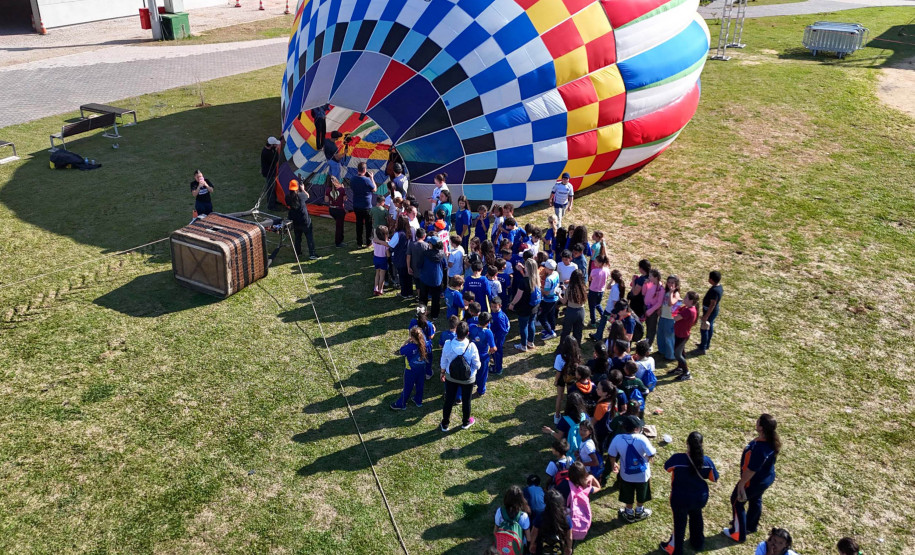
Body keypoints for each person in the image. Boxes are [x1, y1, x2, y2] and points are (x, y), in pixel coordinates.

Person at [723, 414, 782, 543]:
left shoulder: (760, 449)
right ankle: (750, 525)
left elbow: (751, 470)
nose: (756, 423)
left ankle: (737, 533)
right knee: (756, 499)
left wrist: (741, 485)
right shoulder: (770, 442)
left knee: (736, 501)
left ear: (761, 427)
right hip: (766, 478)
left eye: (758, 422)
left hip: (753, 481)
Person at [659, 432, 719, 555]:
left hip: (680, 498)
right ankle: (698, 543)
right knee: (697, 517)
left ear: (687, 443)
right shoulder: (707, 462)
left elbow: (667, 468)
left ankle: (676, 549)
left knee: (680, 524)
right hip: (699, 498)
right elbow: (714, 478)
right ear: (702, 444)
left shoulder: (677, 459)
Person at [607, 415, 656, 522]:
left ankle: (628, 512)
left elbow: (611, 454)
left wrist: (613, 464)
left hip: (626, 475)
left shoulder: (617, 438)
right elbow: (651, 453)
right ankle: (639, 511)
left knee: (627, 492)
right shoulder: (642, 438)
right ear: (636, 429)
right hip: (642, 475)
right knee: (642, 492)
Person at [439, 321, 481, 431]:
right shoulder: (472, 346)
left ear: (456, 332)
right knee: (466, 401)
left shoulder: (448, 344)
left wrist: (442, 372)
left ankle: (445, 423)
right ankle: (466, 422)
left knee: (449, 400)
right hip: (468, 379)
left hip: (450, 377)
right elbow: (477, 364)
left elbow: (443, 360)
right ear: (467, 333)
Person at [390, 326, 432, 410]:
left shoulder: (409, 347)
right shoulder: (427, 344)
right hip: (421, 369)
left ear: (412, 337)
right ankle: (418, 400)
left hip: (410, 370)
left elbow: (401, 351)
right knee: (420, 385)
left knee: (408, 387)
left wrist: (406, 342)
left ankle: (401, 403)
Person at [529, 487, 573, 555]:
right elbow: (569, 537)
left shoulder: (540, 516)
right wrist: (569, 547)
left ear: (545, 501)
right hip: (558, 546)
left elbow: (534, 533)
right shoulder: (566, 518)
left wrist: (532, 544)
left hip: (542, 546)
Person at [509, 258, 539, 352]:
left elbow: (518, 295)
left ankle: (523, 345)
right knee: (531, 323)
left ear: (527, 268)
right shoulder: (536, 279)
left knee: (523, 326)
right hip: (534, 306)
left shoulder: (523, 281)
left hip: (524, 307)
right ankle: (530, 342)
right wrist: (522, 270)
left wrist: (512, 304)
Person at [670, 291, 699, 381]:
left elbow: (675, 317)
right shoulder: (687, 308)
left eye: (686, 298)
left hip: (682, 335)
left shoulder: (689, 311)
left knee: (677, 354)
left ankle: (686, 372)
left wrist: (676, 306)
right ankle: (680, 368)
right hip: (680, 333)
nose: (684, 299)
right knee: (681, 352)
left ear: (691, 301)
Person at [552, 336, 582, 424]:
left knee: (560, 397)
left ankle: (557, 416)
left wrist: (556, 381)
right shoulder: (577, 356)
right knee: (570, 397)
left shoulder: (559, 357)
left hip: (562, 378)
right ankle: (569, 414)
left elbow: (558, 372)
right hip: (572, 378)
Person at [493, 485, 533, 550]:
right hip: (518, 546)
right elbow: (528, 537)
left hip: (503, 543)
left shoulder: (499, 511)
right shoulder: (523, 516)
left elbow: (496, 528)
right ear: (521, 500)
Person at [285, 179, 317, 260]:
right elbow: (308, 196)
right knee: (309, 237)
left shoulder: (287, 197)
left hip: (295, 221)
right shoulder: (301, 195)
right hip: (304, 220)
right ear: (297, 187)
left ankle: (298, 252)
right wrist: (303, 189)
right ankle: (312, 254)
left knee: (297, 237)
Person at [592, 270, 625, 343]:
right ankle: (598, 335)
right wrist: (612, 280)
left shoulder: (615, 288)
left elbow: (615, 302)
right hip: (611, 309)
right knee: (605, 323)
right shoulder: (618, 285)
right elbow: (608, 287)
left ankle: (598, 336)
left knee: (603, 323)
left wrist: (614, 312)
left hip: (610, 310)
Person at [350, 162, 377, 248]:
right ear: (365, 170)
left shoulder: (353, 179)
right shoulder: (367, 180)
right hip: (366, 206)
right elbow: (374, 189)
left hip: (356, 205)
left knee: (359, 224)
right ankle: (368, 242)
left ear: (358, 169)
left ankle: (359, 243)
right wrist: (372, 178)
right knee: (369, 225)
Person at [470, 312, 496, 396]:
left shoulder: (471, 327)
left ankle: (472, 382)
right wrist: (494, 349)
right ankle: (481, 390)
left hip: (472, 354)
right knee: (482, 374)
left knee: (472, 369)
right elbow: (493, 347)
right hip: (483, 356)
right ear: (488, 322)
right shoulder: (488, 333)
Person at [419, 237, 445, 318]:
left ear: (432, 244)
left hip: (425, 279)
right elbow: (445, 266)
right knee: (436, 299)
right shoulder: (442, 254)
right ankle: (435, 315)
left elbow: (419, 265)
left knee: (423, 298)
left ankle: (421, 314)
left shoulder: (425, 254)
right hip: (437, 280)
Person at [559, 269, 587, 345]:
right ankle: (577, 348)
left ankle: (562, 348)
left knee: (566, 332)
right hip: (581, 311)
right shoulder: (583, 288)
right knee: (578, 333)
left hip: (571, 312)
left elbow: (564, 301)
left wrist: (559, 294)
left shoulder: (570, 289)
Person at [657, 275, 682, 360]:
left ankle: (670, 355)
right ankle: (662, 350)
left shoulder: (676, 294)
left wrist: (672, 292)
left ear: (676, 284)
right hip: (663, 317)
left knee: (669, 337)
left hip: (670, 319)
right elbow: (663, 302)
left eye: (672, 283)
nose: (670, 284)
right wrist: (660, 309)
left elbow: (670, 303)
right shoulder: (666, 292)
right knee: (660, 334)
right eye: (669, 282)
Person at [698, 270, 723, 353]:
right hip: (713, 311)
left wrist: (706, 316)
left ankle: (703, 347)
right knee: (710, 326)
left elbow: (712, 304)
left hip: (710, 312)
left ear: (712, 280)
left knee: (704, 328)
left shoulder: (714, 291)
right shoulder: (719, 287)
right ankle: (706, 344)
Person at [641, 269, 665, 349]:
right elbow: (643, 293)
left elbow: (659, 303)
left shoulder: (661, 289)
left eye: (651, 276)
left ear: (656, 277)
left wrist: (650, 311)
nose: (649, 277)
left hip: (652, 311)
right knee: (648, 325)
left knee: (652, 327)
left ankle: (649, 344)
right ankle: (647, 339)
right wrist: (645, 284)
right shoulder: (650, 283)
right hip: (646, 307)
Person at [390, 215, 412, 298]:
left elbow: (391, 245)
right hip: (409, 257)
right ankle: (410, 292)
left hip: (400, 258)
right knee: (409, 276)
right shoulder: (409, 232)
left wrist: (380, 241)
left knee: (402, 276)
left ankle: (404, 293)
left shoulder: (398, 234)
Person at [324, 175, 347, 247]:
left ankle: (340, 241)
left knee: (338, 225)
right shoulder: (341, 189)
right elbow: (345, 199)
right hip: (339, 210)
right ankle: (338, 242)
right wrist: (343, 189)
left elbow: (326, 200)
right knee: (339, 227)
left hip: (332, 209)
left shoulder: (328, 190)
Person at [587, 254, 610, 327]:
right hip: (601, 291)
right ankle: (604, 317)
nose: (594, 263)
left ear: (600, 263)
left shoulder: (594, 271)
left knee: (592, 307)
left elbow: (590, 279)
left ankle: (593, 322)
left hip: (593, 290)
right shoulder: (607, 270)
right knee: (598, 304)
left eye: (596, 262)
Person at [539, 259, 560, 340]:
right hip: (555, 298)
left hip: (548, 300)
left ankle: (550, 332)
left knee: (542, 317)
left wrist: (540, 288)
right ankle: (552, 328)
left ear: (548, 269)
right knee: (551, 315)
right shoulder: (556, 273)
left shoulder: (548, 279)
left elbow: (546, 292)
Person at [490, 296, 510, 375]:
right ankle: (496, 364)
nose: (493, 308)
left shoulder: (499, 317)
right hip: (495, 335)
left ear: (500, 306)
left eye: (495, 307)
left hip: (498, 337)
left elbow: (503, 330)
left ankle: (498, 369)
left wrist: (495, 337)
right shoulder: (496, 313)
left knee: (496, 352)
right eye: (492, 306)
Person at [407, 228, 429, 298]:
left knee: (417, 283)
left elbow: (408, 256)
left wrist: (408, 267)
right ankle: (425, 295)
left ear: (416, 236)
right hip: (425, 268)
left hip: (415, 267)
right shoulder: (427, 245)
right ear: (424, 236)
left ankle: (419, 296)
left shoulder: (411, 245)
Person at [371, 225, 389, 296]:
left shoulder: (374, 241)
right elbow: (388, 255)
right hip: (383, 259)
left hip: (376, 258)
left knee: (377, 274)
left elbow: (374, 241)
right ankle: (380, 289)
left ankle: (375, 288)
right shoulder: (385, 244)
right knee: (382, 275)